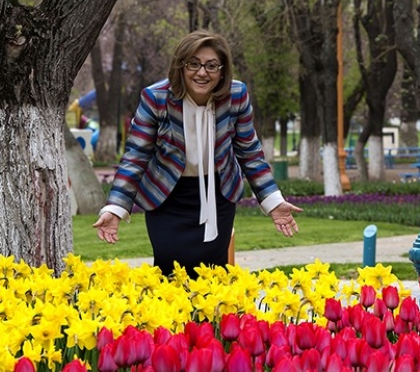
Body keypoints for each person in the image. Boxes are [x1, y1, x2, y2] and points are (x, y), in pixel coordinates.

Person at [93, 30, 302, 279]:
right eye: (194, 64)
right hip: (167, 198)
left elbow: (250, 153)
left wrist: (273, 202)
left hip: (218, 196)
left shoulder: (236, 96)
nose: (202, 72)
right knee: (170, 272)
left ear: (222, 70)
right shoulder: (156, 97)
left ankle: (211, 320)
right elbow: (136, 156)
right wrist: (116, 207)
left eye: (212, 65)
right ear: (180, 66)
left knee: (212, 274)